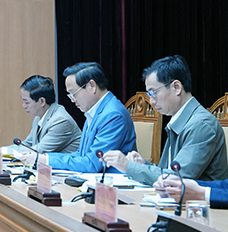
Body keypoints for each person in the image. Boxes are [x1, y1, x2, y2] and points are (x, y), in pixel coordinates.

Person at [102, 56, 228, 185]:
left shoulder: (201, 125)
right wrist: (143, 164)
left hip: (199, 198)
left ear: (176, 87)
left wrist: (128, 166)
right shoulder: (180, 119)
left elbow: (176, 179)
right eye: (149, 94)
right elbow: (168, 171)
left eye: (153, 92)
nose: (151, 101)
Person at [19, 62, 135, 173]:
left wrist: (44, 160)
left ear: (92, 86)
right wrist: (44, 157)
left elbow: (92, 164)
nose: (72, 100)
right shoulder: (95, 110)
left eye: (74, 93)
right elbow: (81, 155)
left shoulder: (113, 115)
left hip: (112, 182)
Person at [19, 75, 81, 153]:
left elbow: (38, 150)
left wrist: (10, 153)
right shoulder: (39, 118)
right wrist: (5, 150)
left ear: (42, 101)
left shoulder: (61, 121)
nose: (24, 105)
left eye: (27, 102)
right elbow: (27, 144)